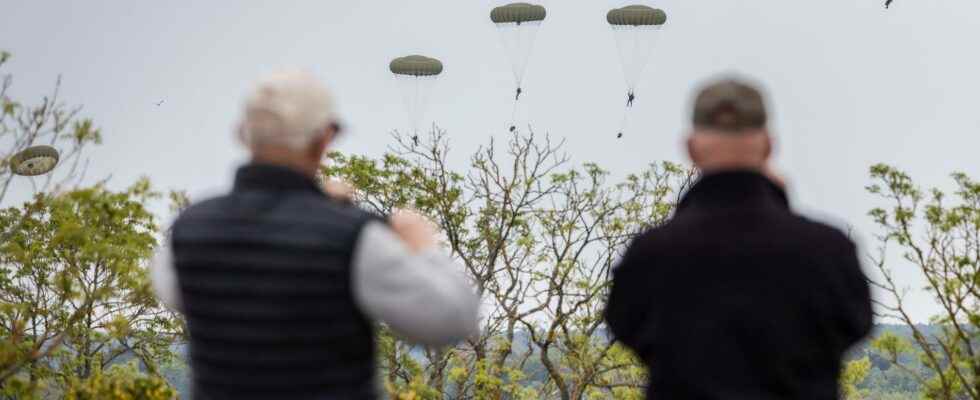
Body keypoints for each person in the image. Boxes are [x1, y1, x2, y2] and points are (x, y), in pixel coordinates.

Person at [150, 71, 480, 399]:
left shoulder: (189, 231)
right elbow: (451, 319)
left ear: (243, 134)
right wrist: (422, 246)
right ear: (324, 138)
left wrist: (311, 209)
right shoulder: (353, 238)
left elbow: (180, 291)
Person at [604, 77, 872, 399]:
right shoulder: (828, 250)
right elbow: (853, 323)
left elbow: (626, 323)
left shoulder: (650, 254)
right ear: (769, 146)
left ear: (690, 148)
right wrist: (780, 207)